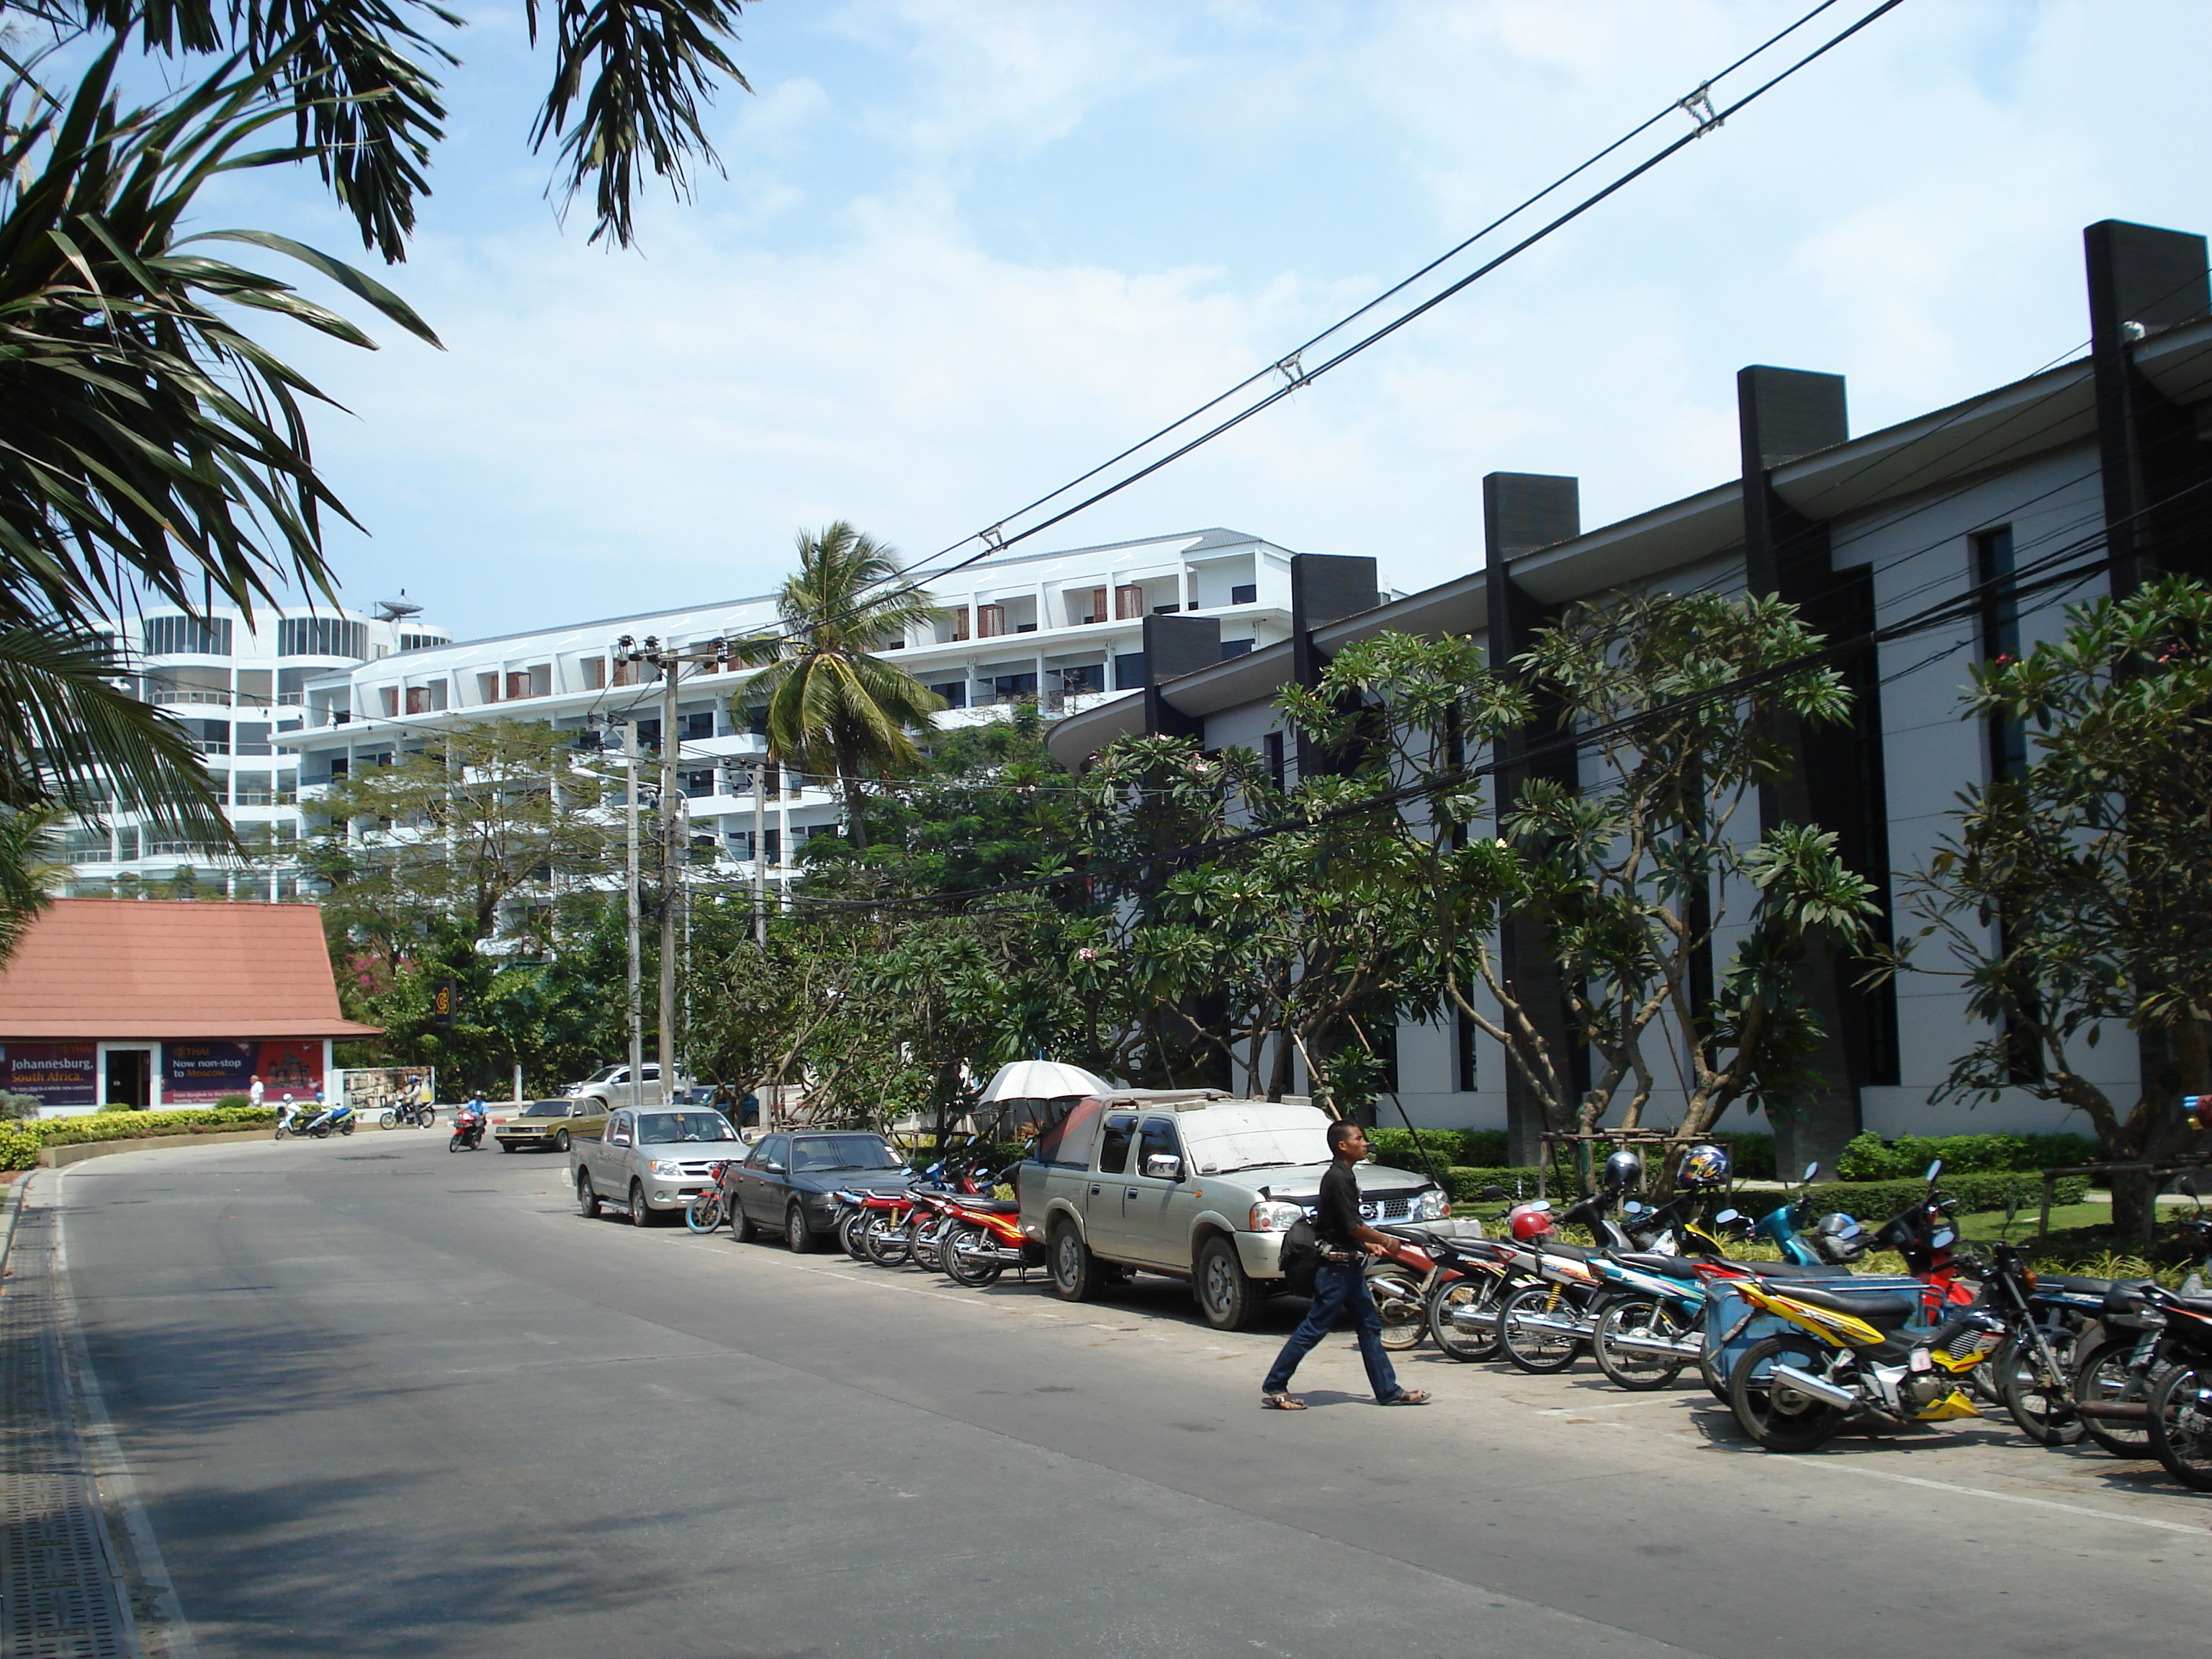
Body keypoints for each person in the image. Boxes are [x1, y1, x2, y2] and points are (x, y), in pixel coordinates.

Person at [1260, 1120, 1431, 1411]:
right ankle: (1276, 1384)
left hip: (1350, 1268)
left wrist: (1367, 1244)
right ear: (1343, 1146)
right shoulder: (1338, 1178)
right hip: (1336, 1270)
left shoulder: (1346, 1176)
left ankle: (1388, 1391)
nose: (1365, 1143)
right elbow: (1351, 1226)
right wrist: (1386, 1241)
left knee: (1369, 1325)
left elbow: (1339, 1226)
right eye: (1359, 1138)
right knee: (1315, 1328)